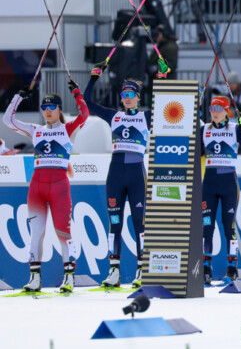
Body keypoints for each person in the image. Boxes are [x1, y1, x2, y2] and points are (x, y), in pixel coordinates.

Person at [3, 80, 88, 292]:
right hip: (37, 187)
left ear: (59, 110)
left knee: (63, 232)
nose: (47, 111)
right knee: (36, 234)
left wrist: (76, 92)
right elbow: (8, 120)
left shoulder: (68, 129)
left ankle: (69, 278)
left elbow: (84, 114)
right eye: (44, 107)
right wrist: (19, 96)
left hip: (59, 186)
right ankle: (34, 279)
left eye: (52, 107)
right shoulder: (35, 130)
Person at [85, 65, 150, 288]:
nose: (127, 98)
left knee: (139, 224)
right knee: (115, 224)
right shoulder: (113, 116)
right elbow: (87, 103)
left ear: (138, 98)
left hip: (136, 174)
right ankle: (114, 271)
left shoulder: (145, 117)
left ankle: (142, 270)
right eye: (124, 95)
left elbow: (169, 104)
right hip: (115, 174)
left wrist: (163, 76)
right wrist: (93, 78)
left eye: (131, 94)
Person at [201, 96, 241, 284]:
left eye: (219, 108)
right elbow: (195, 154)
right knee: (206, 228)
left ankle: (232, 269)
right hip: (209, 184)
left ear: (226, 111)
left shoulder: (234, 128)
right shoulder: (204, 130)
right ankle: (206, 268)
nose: (214, 112)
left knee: (228, 227)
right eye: (212, 108)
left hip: (229, 184)